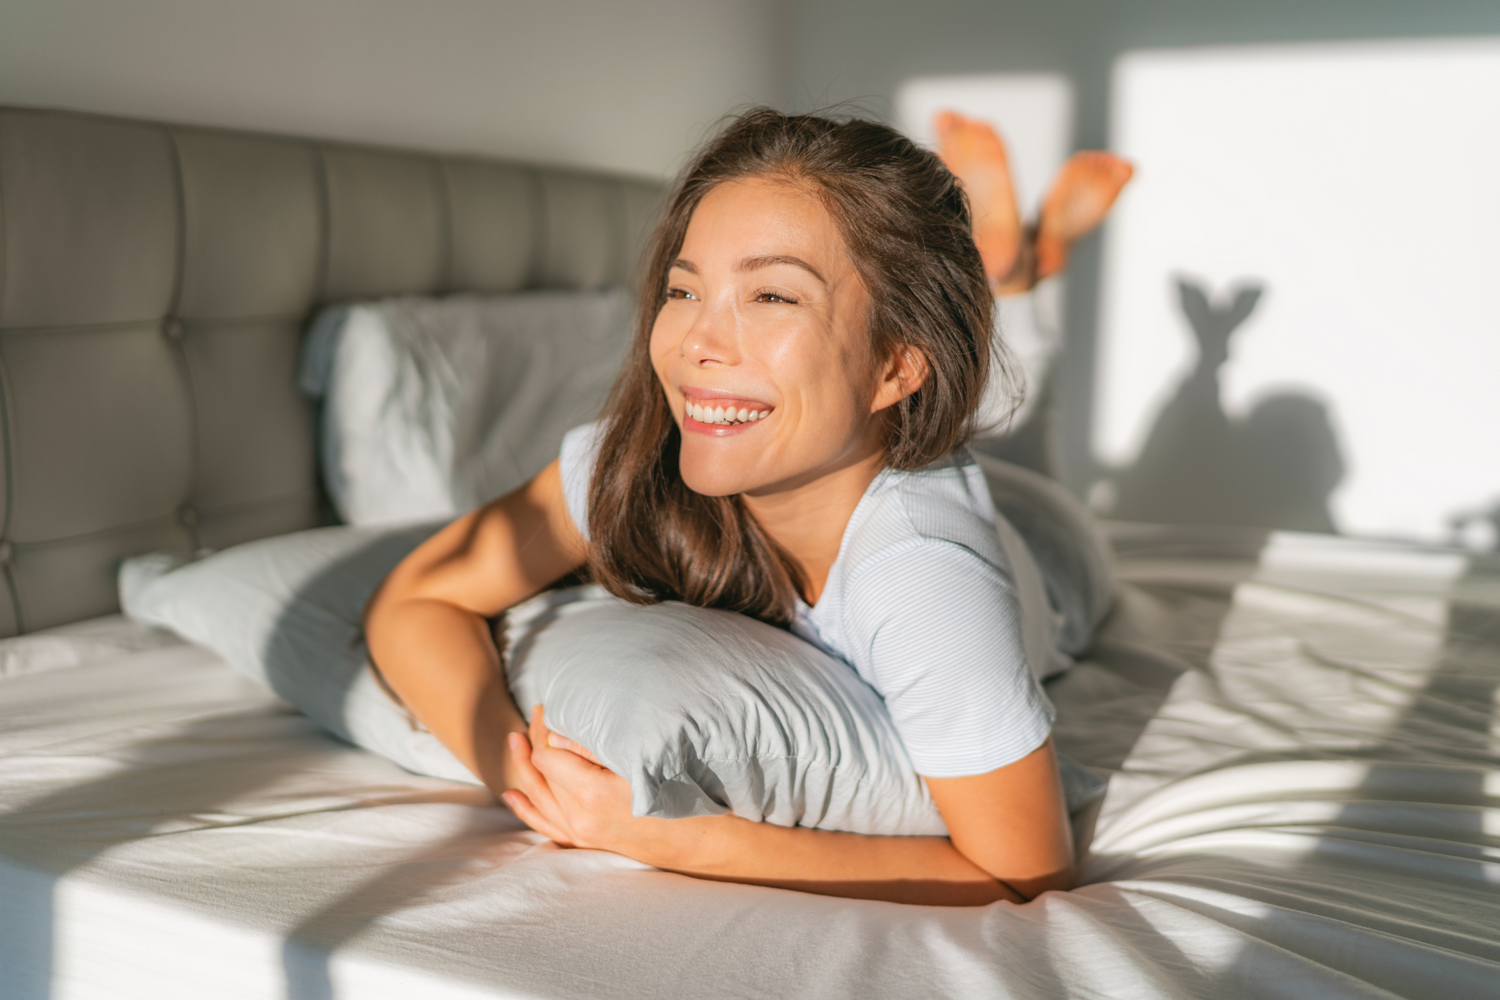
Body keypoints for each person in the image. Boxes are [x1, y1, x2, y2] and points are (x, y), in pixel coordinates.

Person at [365, 109, 1110, 908]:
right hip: (889, 452)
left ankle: (1020, 289)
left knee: (1027, 458)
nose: (696, 341)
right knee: (989, 433)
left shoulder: (928, 579)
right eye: (684, 288)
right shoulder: (634, 458)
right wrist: (522, 773)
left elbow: (1022, 871)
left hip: (1048, 556)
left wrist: (669, 835)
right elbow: (416, 598)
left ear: (895, 364)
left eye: (770, 295)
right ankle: (1014, 275)